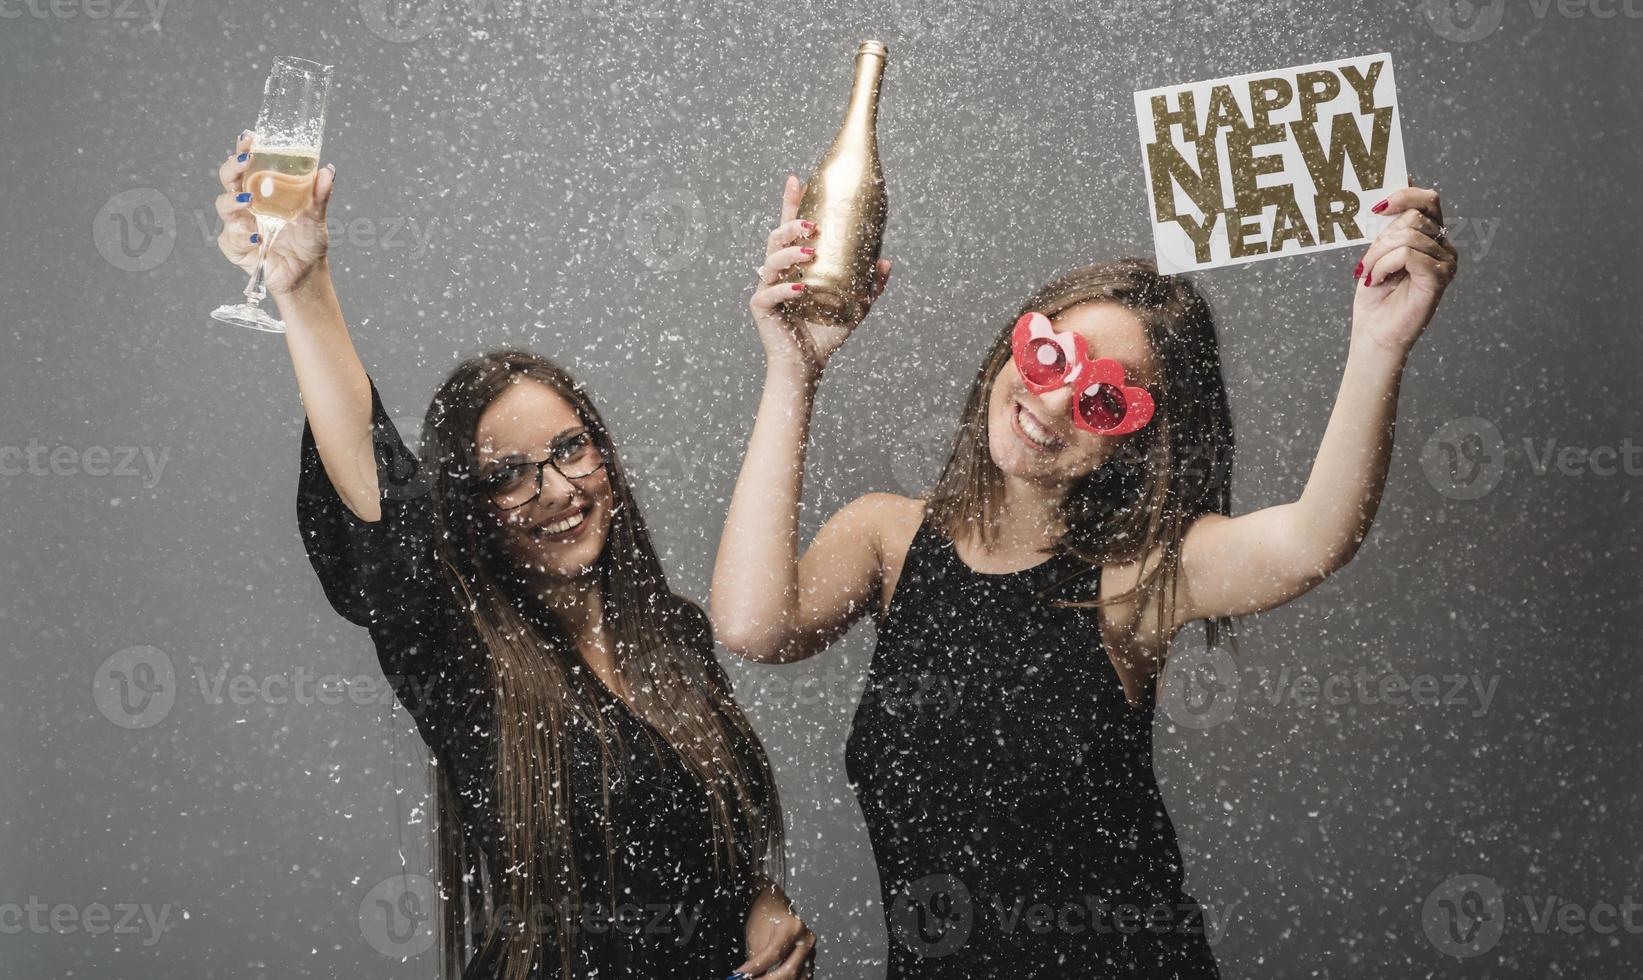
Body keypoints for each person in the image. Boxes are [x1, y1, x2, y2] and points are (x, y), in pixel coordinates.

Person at [711, 173, 1458, 977]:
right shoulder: (884, 537)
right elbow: (754, 625)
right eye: (1049, 355)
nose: (1057, 401)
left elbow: (1314, 539)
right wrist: (793, 370)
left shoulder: (1136, 577)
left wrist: (1379, 344)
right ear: (1015, 341)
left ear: (1136, 441)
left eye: (1107, 402)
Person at [211, 133, 816, 980]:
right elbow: (376, 486)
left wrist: (754, 901)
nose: (559, 490)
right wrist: (306, 289)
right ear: (467, 509)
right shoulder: (454, 649)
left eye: (571, 449)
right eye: (508, 476)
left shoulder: (672, 633)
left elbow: (683, 839)